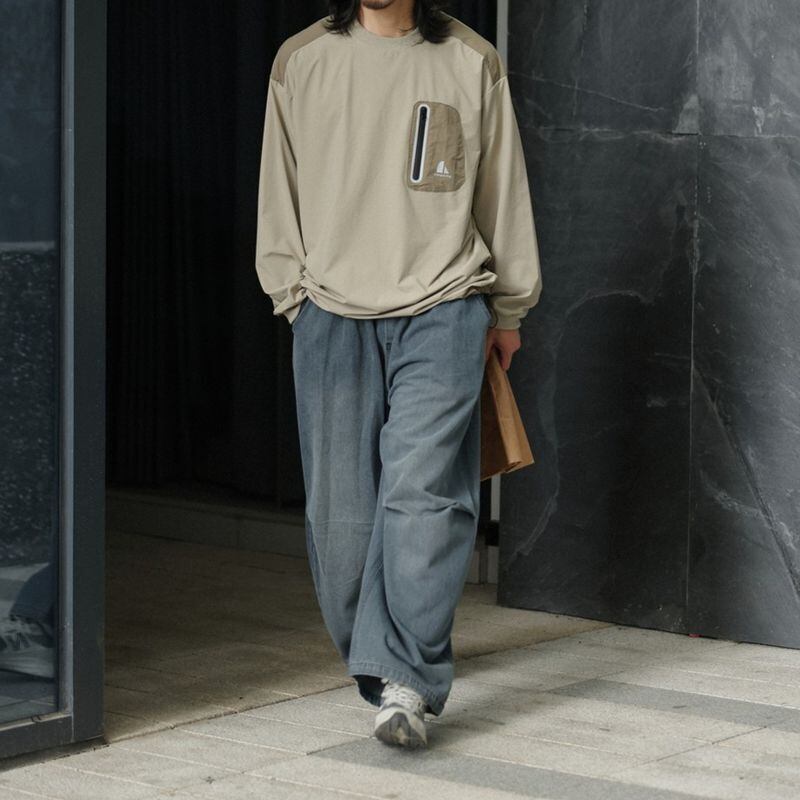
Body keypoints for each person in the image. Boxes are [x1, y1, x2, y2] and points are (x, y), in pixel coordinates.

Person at [255, 0, 541, 749]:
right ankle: (381, 670)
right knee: (341, 520)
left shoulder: (471, 60)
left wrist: (509, 309)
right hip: (330, 312)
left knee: (425, 496)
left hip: (445, 306)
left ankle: (408, 680)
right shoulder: (302, 61)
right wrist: (294, 298)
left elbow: (502, 189)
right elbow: (279, 191)